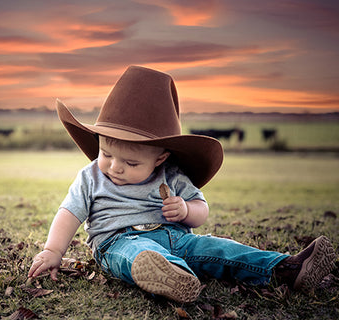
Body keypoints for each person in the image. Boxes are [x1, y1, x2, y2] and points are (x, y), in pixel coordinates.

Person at [28, 66, 336, 303]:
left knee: (218, 248)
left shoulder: (172, 175)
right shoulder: (91, 176)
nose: (114, 167)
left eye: (131, 163)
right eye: (106, 153)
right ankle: (172, 276)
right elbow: (69, 213)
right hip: (117, 242)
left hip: (177, 237)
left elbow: (201, 211)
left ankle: (286, 268)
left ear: (161, 158)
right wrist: (53, 250)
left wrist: (186, 209)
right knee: (139, 253)